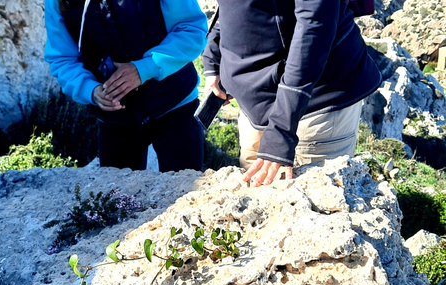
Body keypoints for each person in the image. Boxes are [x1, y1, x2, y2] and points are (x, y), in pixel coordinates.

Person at [203, 0, 382, 187]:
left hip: (315, 102)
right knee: (257, 204)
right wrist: (213, 59)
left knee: (315, 206)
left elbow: (315, 26)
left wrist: (281, 130)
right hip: (254, 103)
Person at [44, 0, 208, 172]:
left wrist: (145, 68)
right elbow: (62, 58)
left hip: (176, 105)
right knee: (118, 198)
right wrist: (90, 90)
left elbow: (191, 28)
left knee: (185, 194)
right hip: (114, 119)